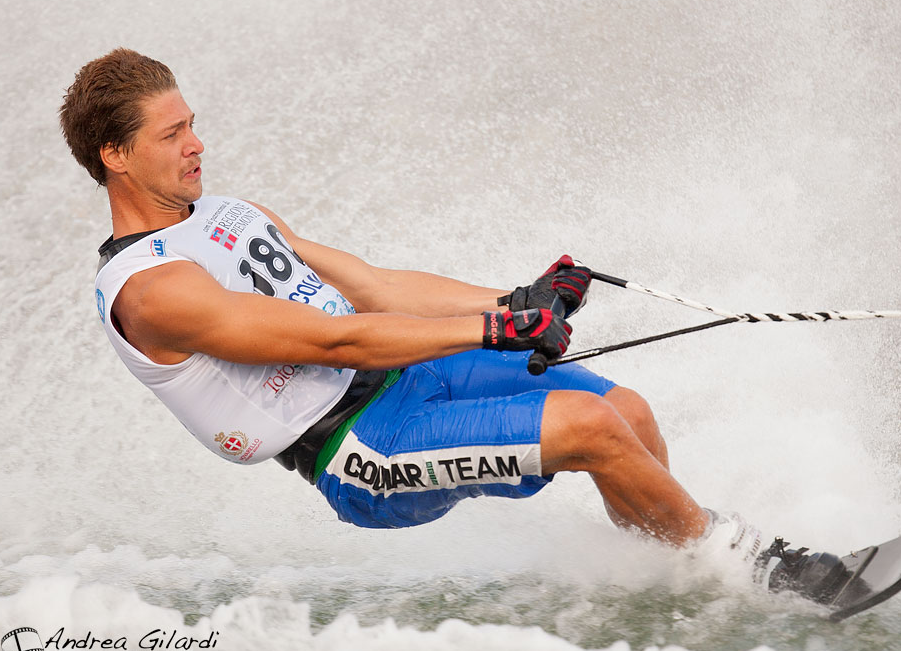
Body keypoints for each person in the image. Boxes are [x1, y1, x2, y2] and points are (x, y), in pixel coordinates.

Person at [60, 48, 838, 599]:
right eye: (171, 135)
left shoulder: (232, 214)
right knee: (590, 429)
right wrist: (491, 331)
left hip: (407, 377)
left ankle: (675, 580)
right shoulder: (150, 292)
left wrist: (519, 303)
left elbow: (372, 286)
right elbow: (335, 340)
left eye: (191, 122)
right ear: (115, 156)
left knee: (625, 413)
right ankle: (756, 570)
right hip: (357, 449)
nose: (197, 144)